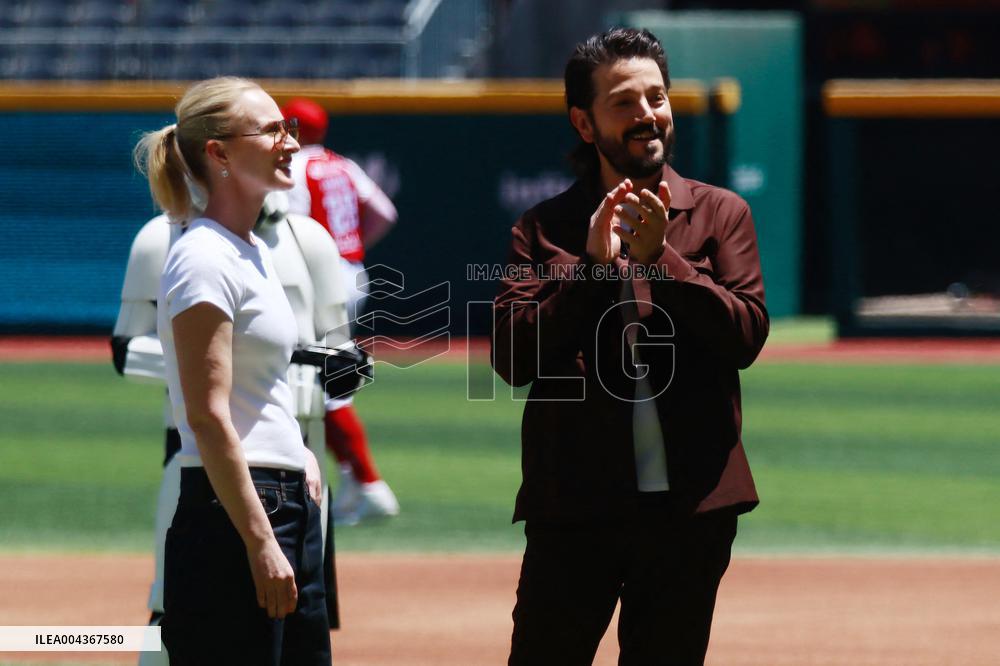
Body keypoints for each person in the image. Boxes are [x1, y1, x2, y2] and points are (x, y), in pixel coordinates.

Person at [491, 28, 769, 665]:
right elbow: (511, 359)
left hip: (691, 509)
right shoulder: (544, 228)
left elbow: (746, 334)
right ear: (584, 124)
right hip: (573, 507)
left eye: (658, 96)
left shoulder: (720, 214)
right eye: (625, 101)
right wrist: (592, 269)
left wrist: (663, 261)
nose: (648, 113)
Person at [133, 76, 332, 664]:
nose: (290, 142)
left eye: (287, 128)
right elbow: (206, 413)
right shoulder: (203, 256)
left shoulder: (252, 251)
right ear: (218, 152)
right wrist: (261, 540)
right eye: (271, 129)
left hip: (281, 498)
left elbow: (258, 388)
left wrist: (301, 454)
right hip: (235, 513)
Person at [111, 192, 351, 665]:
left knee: (302, 615)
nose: (285, 144)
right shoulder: (167, 238)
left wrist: (320, 368)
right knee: (176, 607)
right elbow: (127, 348)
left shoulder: (308, 240)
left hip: (298, 458)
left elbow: (342, 349)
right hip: (198, 455)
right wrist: (208, 366)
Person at [279, 97, 399, 525]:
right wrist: (355, 247)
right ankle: (353, 477)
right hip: (351, 271)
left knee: (316, 381)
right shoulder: (343, 165)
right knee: (323, 376)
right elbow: (386, 211)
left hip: (314, 278)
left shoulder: (291, 168)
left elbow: (287, 228)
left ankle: (366, 481)